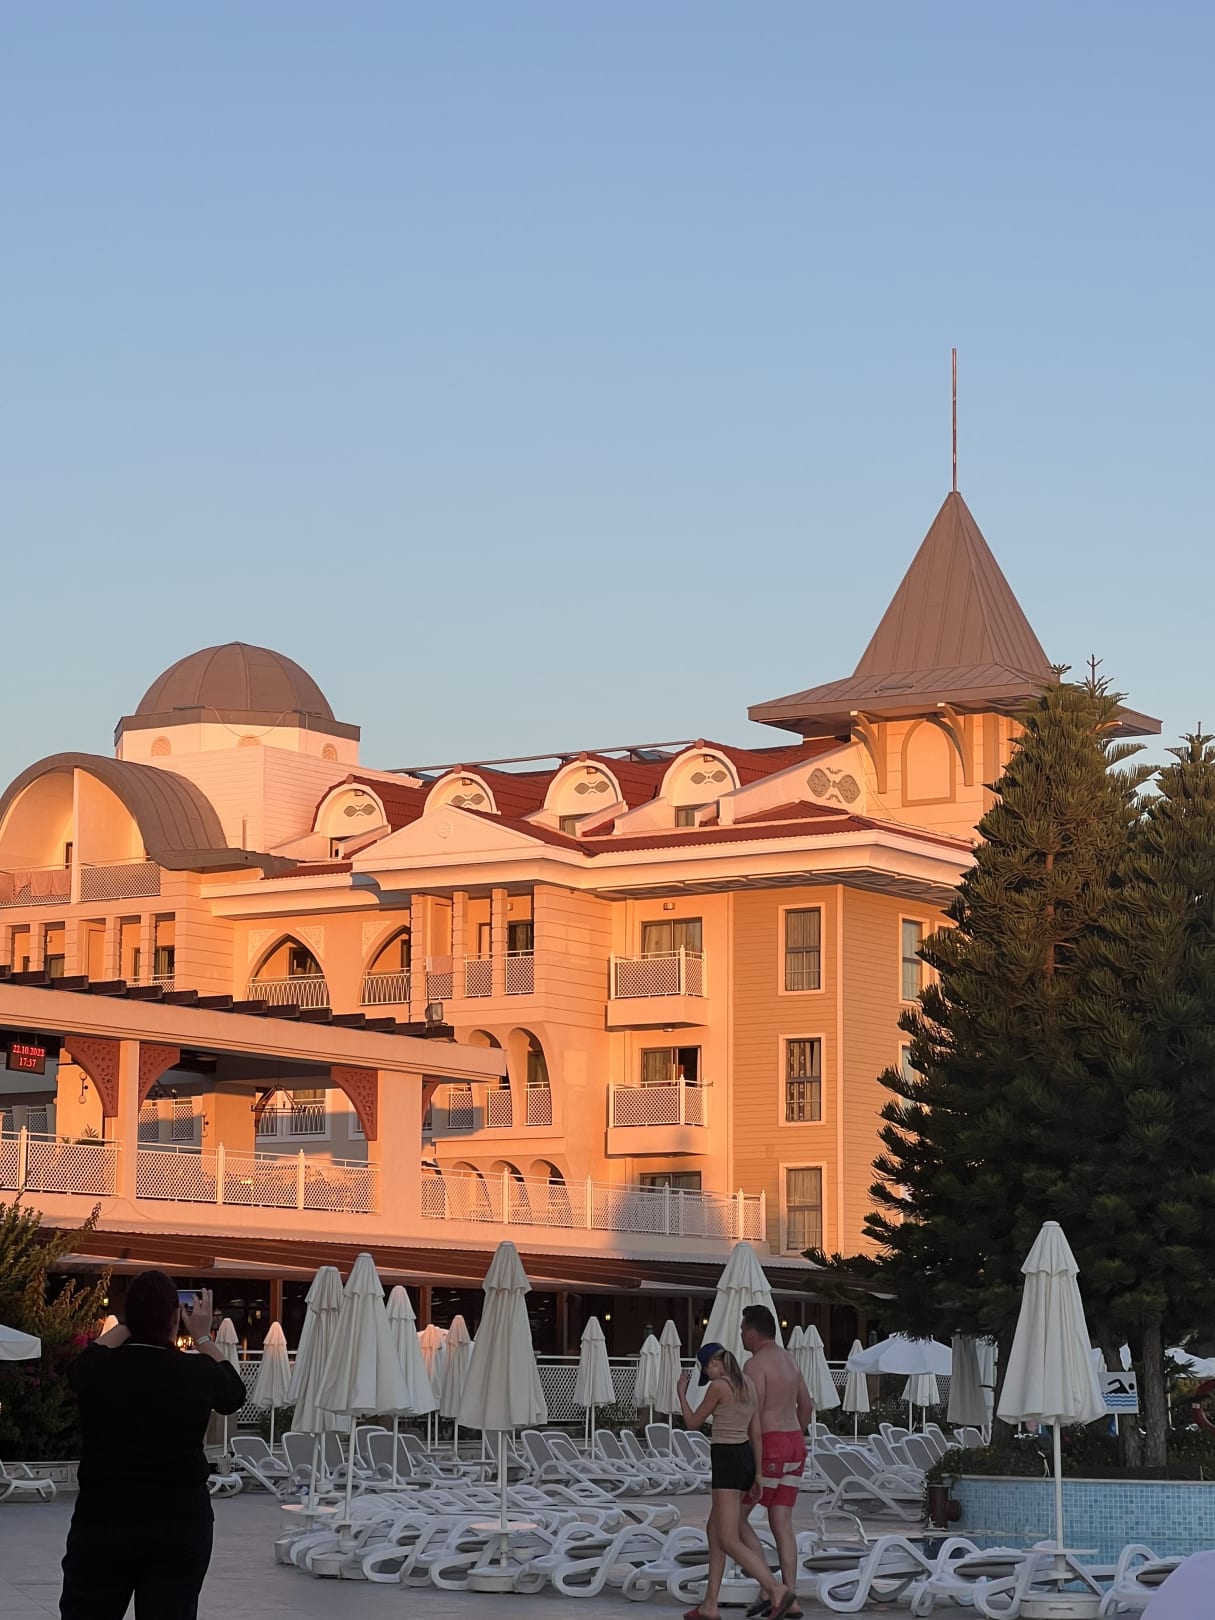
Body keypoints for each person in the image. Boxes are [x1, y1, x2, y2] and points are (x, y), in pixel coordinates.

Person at [60, 1273, 247, 1620]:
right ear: (175, 1316)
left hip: (104, 1520)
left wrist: (130, 1323)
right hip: (179, 1523)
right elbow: (233, 1393)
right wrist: (202, 1336)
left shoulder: (100, 1369)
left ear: (129, 1317)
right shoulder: (195, 1372)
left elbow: (79, 1368)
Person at [677, 1342, 797, 1620]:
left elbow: (693, 1422)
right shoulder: (748, 1384)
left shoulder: (719, 1386)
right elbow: (755, 1432)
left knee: (728, 1539)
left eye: (707, 1370)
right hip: (745, 1458)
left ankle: (775, 1589)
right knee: (714, 1530)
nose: (708, 1375)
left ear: (713, 1364)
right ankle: (710, 1605)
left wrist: (681, 1393)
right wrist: (757, 1474)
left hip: (727, 1459)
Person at [737, 1304, 814, 1618]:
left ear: (752, 1333)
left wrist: (753, 1461)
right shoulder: (789, 1361)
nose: (741, 1335)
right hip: (794, 1442)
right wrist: (795, 1435)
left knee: (734, 1520)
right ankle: (790, 1597)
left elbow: (753, 1418)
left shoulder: (755, 1365)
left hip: (770, 1445)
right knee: (782, 1523)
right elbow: (806, 1406)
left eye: (742, 1330)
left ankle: (769, 1587)